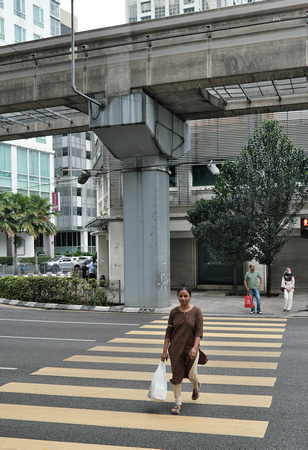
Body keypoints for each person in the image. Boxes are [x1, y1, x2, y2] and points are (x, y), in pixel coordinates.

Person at [161, 286, 207, 415]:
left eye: (185, 296)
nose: (183, 299)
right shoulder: (174, 312)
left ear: (190, 297)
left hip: (191, 348)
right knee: (177, 376)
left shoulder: (197, 311)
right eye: (180, 296)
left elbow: (199, 332)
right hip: (175, 349)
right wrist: (165, 350)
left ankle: (195, 386)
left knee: (192, 374)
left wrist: (195, 347)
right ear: (178, 297)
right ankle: (177, 403)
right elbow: (168, 332)